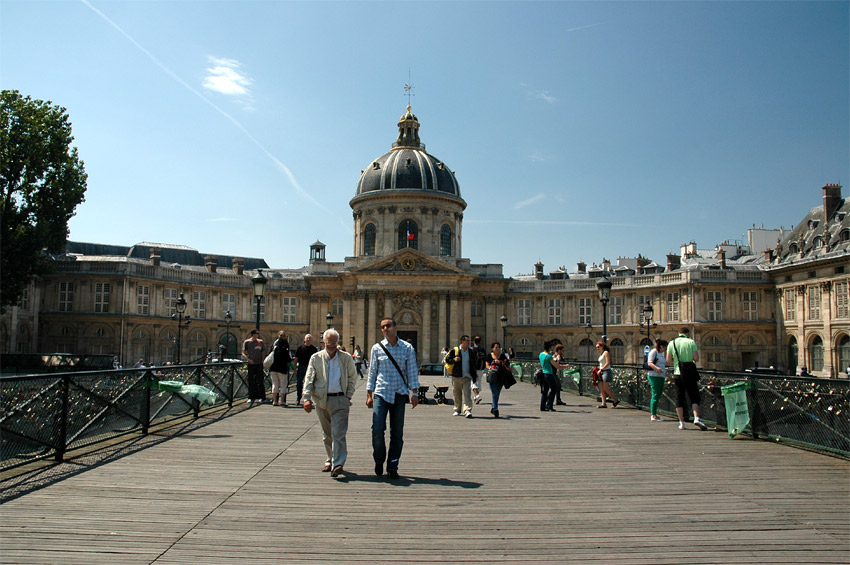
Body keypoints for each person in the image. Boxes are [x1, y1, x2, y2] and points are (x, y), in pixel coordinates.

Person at [367, 317, 419, 480]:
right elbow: (372, 371)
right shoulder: (377, 348)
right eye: (383, 327)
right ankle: (379, 460)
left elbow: (412, 370)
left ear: (395, 328)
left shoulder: (407, 348)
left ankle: (392, 466)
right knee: (377, 430)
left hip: (399, 393)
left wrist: (415, 392)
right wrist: (369, 393)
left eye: (388, 326)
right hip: (381, 393)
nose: (385, 329)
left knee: (397, 433)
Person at [302, 328, 358, 478]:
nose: (331, 346)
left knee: (338, 433)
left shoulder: (346, 358)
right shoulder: (316, 358)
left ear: (338, 342)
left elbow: (353, 377)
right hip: (322, 399)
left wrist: (348, 396)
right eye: (328, 343)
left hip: (340, 399)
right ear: (323, 342)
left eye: (334, 343)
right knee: (327, 434)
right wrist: (306, 398)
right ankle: (330, 459)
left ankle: (338, 463)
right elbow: (308, 378)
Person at [666, 327, 707, 430]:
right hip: (689, 373)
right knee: (694, 396)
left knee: (679, 398)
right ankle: (696, 418)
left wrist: (677, 360)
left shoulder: (672, 343)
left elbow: (668, 360)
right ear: (687, 333)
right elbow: (696, 359)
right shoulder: (691, 342)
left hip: (678, 373)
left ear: (679, 333)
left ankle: (681, 422)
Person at [445, 335, 477, 418]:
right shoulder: (455, 351)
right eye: (467, 341)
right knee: (457, 394)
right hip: (457, 376)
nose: (469, 342)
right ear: (462, 341)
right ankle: (457, 409)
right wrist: (454, 360)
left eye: (469, 341)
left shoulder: (471, 352)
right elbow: (447, 360)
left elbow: (473, 364)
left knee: (467, 394)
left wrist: (474, 376)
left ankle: (467, 410)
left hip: (467, 376)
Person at [539, 340, 566, 411]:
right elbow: (557, 366)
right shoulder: (549, 356)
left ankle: (542, 406)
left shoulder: (541, 354)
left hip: (543, 373)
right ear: (549, 348)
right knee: (554, 389)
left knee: (545, 391)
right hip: (549, 374)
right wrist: (565, 366)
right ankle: (549, 405)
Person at [242, 329, 266, 406]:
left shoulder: (260, 342)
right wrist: (248, 359)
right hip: (251, 363)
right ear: (253, 334)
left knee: (260, 380)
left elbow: (262, 352)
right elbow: (243, 352)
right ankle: (251, 397)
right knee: (251, 380)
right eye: (256, 333)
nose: (258, 335)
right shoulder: (247, 342)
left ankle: (262, 397)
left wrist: (263, 361)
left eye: (258, 333)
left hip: (259, 363)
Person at [486, 341, 511, 418]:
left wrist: (500, 362)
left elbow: (507, 364)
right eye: (496, 347)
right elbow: (487, 365)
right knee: (494, 392)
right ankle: (495, 408)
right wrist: (492, 366)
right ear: (492, 348)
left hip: (501, 376)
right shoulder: (489, 356)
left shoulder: (502, 356)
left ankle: (494, 408)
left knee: (497, 393)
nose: (497, 349)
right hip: (492, 376)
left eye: (498, 347)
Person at [646, 338, 668, 421]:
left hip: (661, 375)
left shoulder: (661, 354)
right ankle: (653, 414)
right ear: (661, 346)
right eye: (665, 347)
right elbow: (650, 363)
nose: (665, 349)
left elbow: (663, 365)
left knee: (658, 394)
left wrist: (668, 376)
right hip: (654, 375)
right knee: (655, 394)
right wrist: (657, 369)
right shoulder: (654, 352)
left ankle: (655, 413)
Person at [294, 334, 318, 405]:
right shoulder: (300, 347)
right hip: (301, 366)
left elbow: (316, 360)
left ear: (312, 340)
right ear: (304, 339)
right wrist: (295, 368)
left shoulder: (314, 349)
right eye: (307, 338)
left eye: (310, 338)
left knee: (310, 383)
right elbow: (296, 358)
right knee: (299, 383)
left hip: (310, 367)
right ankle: (298, 397)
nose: (308, 339)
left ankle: (308, 398)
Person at [269, 331, 292, 406]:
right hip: (282, 367)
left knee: (274, 384)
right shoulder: (285, 344)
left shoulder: (274, 345)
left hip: (273, 367)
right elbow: (288, 357)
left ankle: (275, 401)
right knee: (283, 385)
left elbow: (270, 353)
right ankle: (282, 401)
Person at [595, 341, 619, 409]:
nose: (597, 348)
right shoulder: (601, 353)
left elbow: (608, 362)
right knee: (601, 389)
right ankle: (603, 403)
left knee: (605, 388)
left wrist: (601, 369)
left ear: (602, 346)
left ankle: (615, 400)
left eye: (598, 347)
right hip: (601, 371)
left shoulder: (606, 353)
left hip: (606, 371)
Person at [471, 336, 487, 405]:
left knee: (473, 382)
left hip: (474, 368)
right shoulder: (483, 349)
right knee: (479, 382)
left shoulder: (472, 349)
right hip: (481, 368)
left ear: (473, 341)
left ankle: (477, 396)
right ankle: (476, 397)